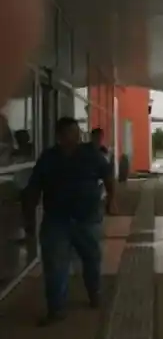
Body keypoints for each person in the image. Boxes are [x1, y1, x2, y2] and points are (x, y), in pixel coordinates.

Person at [22, 117, 116, 326]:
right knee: (55, 266)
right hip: (57, 221)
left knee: (91, 260)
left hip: (87, 219)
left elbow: (108, 176)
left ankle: (94, 293)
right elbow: (34, 187)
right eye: (69, 134)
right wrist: (29, 217)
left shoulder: (91, 153)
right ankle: (56, 309)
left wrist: (111, 200)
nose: (74, 137)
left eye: (77, 133)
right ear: (59, 137)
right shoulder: (49, 158)